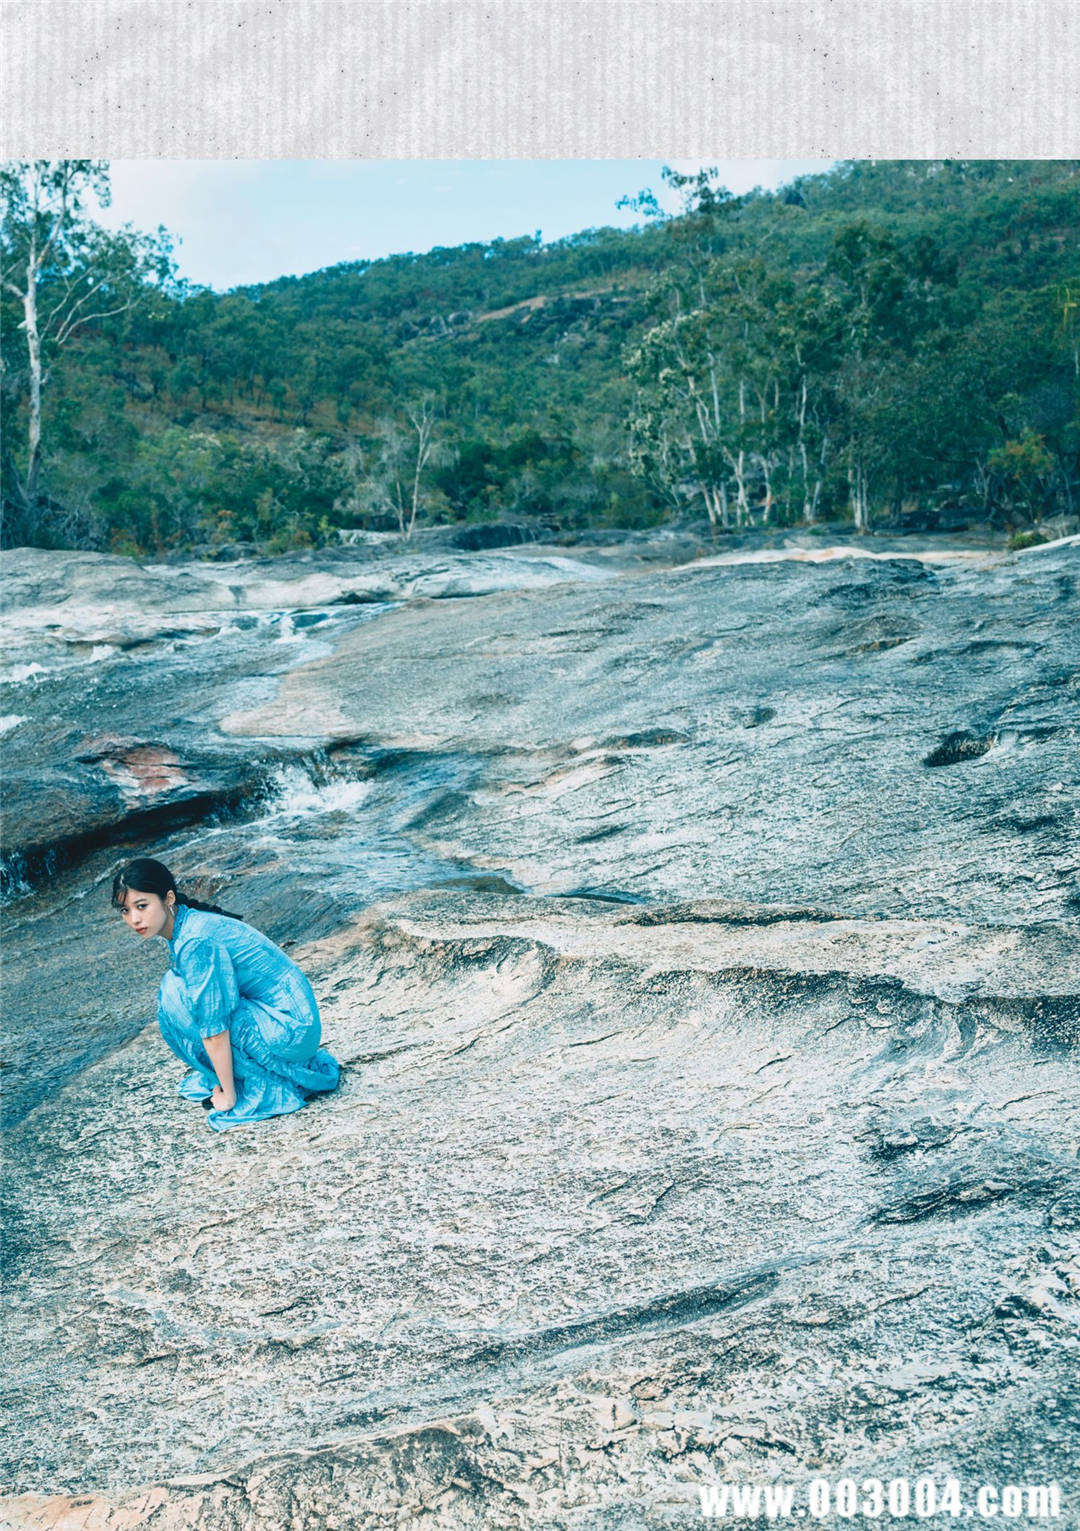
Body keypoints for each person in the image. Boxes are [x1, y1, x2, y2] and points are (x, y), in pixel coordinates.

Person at [112, 857, 341, 1132]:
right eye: (125, 910)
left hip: (290, 1030)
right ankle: (236, 1072)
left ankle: (250, 1083)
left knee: (176, 997)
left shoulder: (196, 940)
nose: (134, 919)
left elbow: (214, 1025)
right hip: (291, 1021)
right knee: (176, 988)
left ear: (168, 898)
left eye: (142, 906)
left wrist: (229, 1095)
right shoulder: (188, 924)